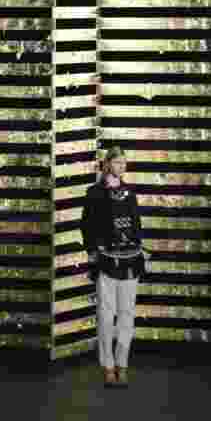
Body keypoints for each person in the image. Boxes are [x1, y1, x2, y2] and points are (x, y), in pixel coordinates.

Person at [82, 146, 148, 389]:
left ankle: (122, 364)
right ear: (108, 164)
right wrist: (91, 251)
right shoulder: (94, 193)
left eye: (124, 163)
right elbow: (86, 225)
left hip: (131, 260)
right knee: (106, 316)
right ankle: (108, 366)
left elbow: (136, 225)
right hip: (106, 261)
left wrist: (141, 246)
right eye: (118, 162)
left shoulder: (130, 193)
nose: (123, 166)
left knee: (127, 316)